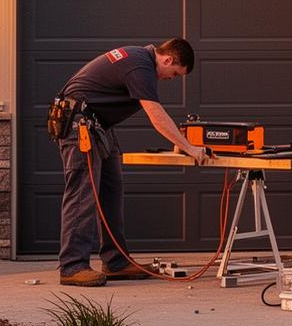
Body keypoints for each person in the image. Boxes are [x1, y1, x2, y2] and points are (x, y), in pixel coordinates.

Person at [53, 37, 209, 286]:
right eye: (174, 74)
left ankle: (116, 262)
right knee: (82, 195)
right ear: (167, 59)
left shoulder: (139, 59)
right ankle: (72, 266)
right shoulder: (140, 66)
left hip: (98, 126)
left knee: (111, 193)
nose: (170, 79)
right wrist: (190, 147)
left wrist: (180, 141)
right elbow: (156, 115)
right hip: (79, 125)